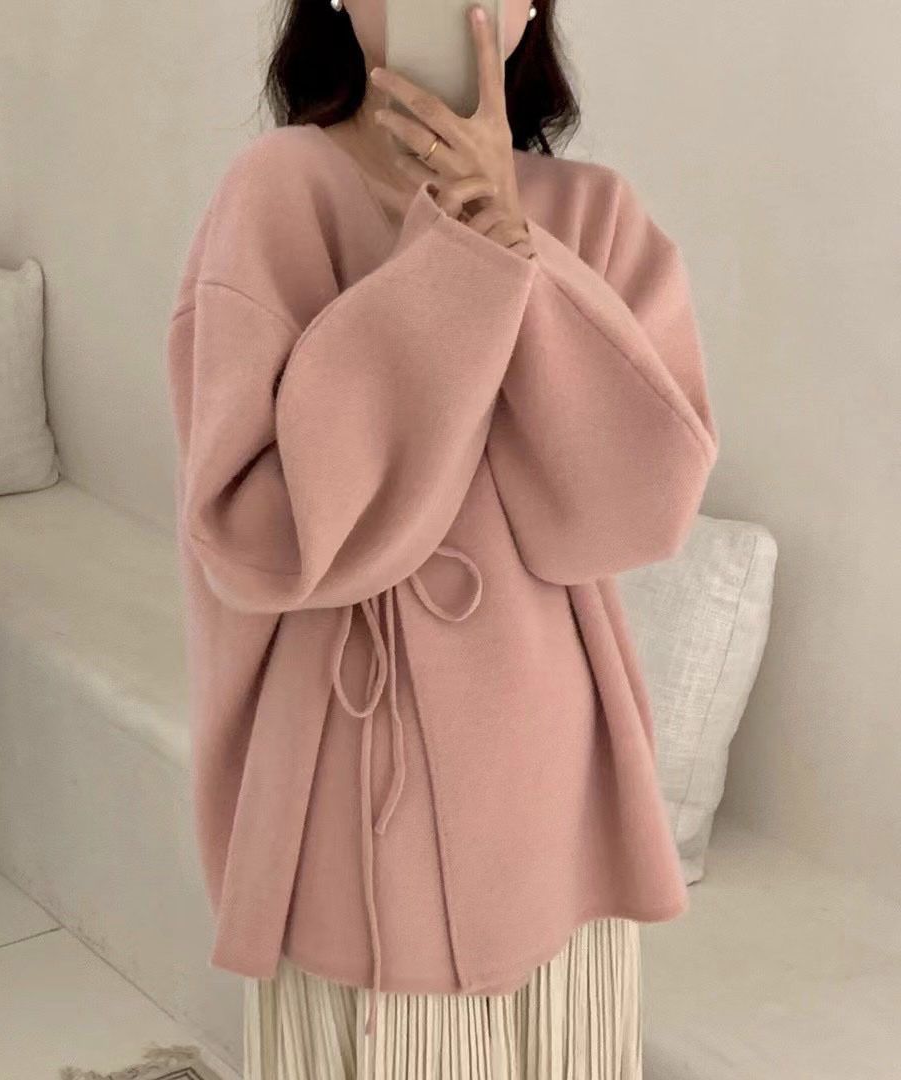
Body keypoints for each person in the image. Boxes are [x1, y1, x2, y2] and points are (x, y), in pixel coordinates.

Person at [164, 1, 719, 1076]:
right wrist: (458, 267)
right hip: (355, 758)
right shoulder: (279, 190)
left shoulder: (595, 212)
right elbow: (253, 532)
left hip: (549, 756)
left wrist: (517, 241)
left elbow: (643, 503)